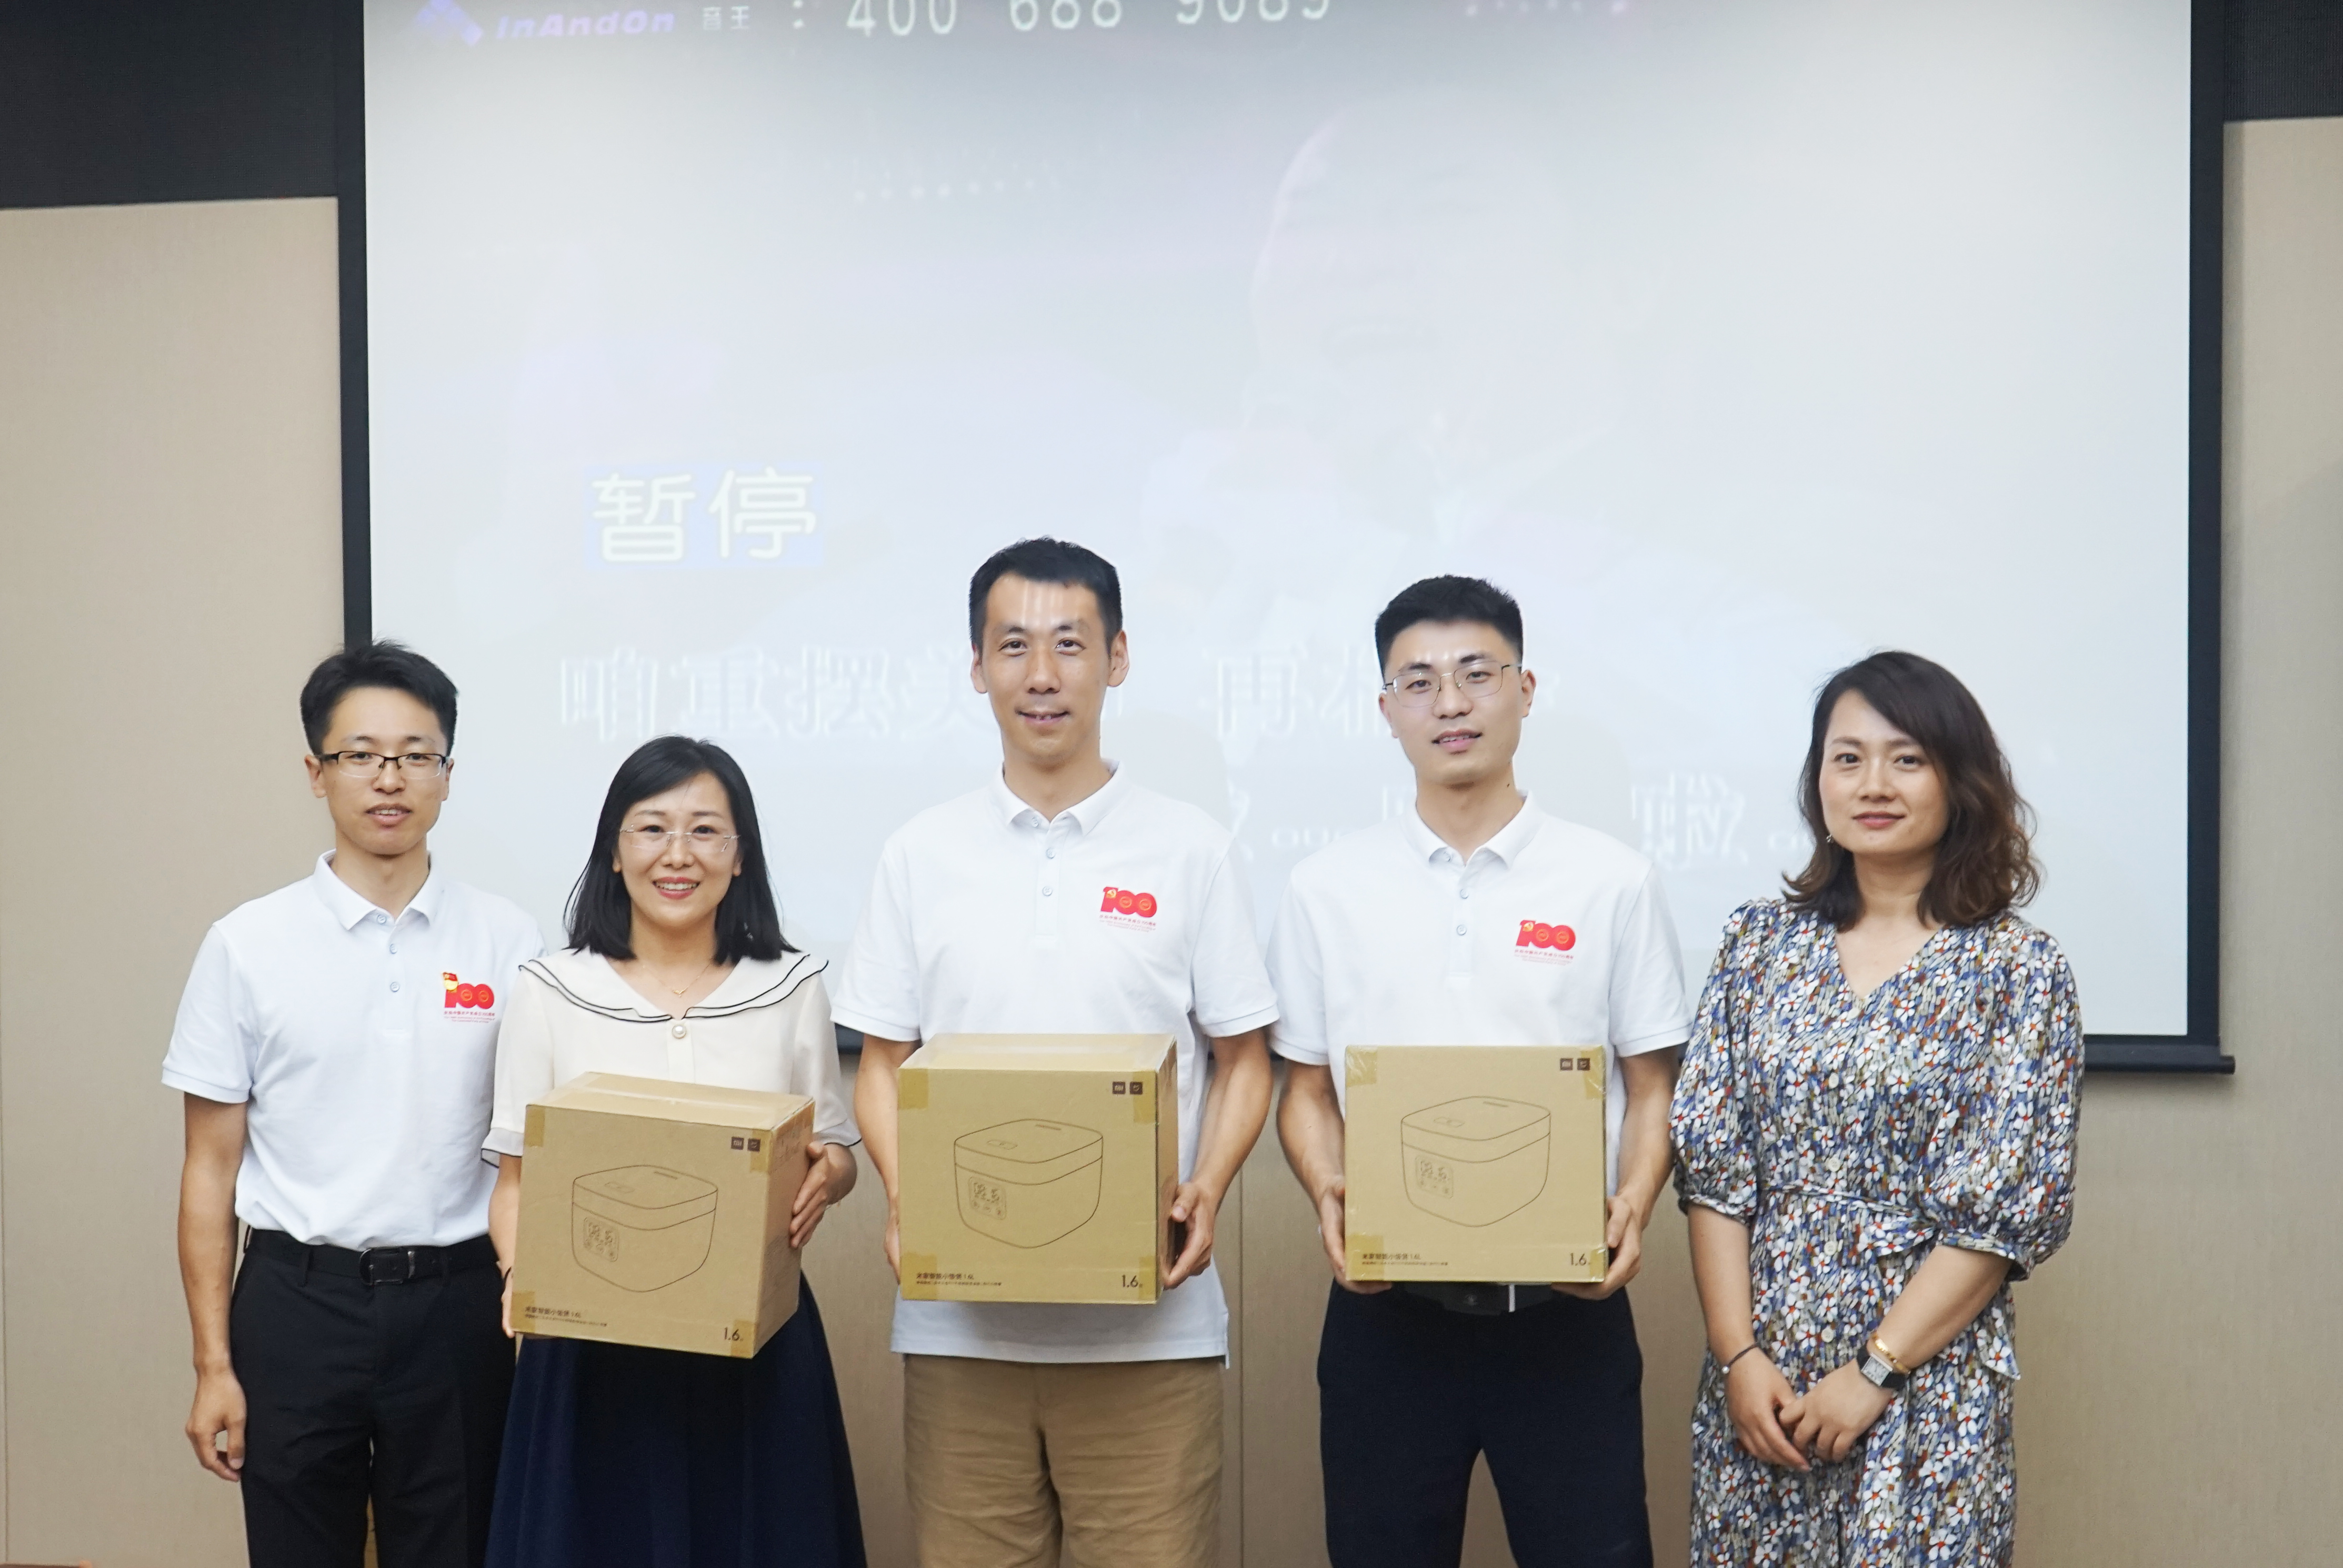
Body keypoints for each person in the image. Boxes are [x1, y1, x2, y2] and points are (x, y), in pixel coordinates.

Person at [834, 537, 1279, 1568]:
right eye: (1014, 645)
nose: (1042, 674)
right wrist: (904, 1194)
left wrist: (1208, 1186)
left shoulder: (1191, 847)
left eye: (1070, 644)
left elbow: (1246, 1058)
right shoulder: (920, 853)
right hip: (960, 1332)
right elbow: (881, 1061)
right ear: (977, 666)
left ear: (1116, 658)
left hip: (1151, 1333)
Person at [1267, 575, 1689, 1568]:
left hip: (1564, 1311)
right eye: (1418, 682)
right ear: (1386, 709)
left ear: (1525, 689)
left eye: (1476, 674)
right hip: (1388, 1316)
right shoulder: (1325, 888)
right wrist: (1329, 1191)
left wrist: (1632, 1205)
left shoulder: (1611, 881)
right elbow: (1305, 1092)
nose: (1449, 704)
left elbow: (1651, 1085)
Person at [1670, 650, 2084, 1567]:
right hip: (1766, 1388)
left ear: (1958, 779)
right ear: (1817, 779)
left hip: (1927, 1384)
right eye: (1847, 758)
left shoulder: (2018, 971)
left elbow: (1998, 1216)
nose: (1873, 785)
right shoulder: (1757, 945)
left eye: (1907, 759)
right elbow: (1715, 1177)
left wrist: (1874, 1371)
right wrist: (1738, 1357)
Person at [167, 642, 543, 1568]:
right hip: (297, 1305)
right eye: (361, 755)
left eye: (416, 755)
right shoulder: (247, 944)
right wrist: (213, 1365)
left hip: (458, 1305)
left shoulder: (510, 939)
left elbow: (540, 1148)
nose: (390, 778)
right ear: (316, 773)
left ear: (447, 775)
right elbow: (209, 1172)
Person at [481, 736, 865, 1567]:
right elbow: (515, 1182)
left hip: (755, 1334)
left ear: (740, 854)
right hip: (589, 1346)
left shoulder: (791, 985)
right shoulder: (550, 989)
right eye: (652, 829)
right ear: (614, 852)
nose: (678, 855)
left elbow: (834, 1149)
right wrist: (519, 1276)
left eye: (706, 831)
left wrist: (826, 1179)